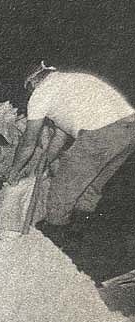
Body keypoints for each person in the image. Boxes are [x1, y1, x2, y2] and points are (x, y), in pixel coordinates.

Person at [7, 61, 135, 231]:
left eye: (28, 89)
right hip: (128, 132)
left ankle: (51, 243)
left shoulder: (41, 93)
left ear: (33, 82)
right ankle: (78, 240)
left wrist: (14, 171)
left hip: (99, 134)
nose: (29, 94)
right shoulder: (71, 80)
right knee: (88, 189)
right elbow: (60, 136)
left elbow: (28, 143)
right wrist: (44, 161)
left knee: (60, 193)